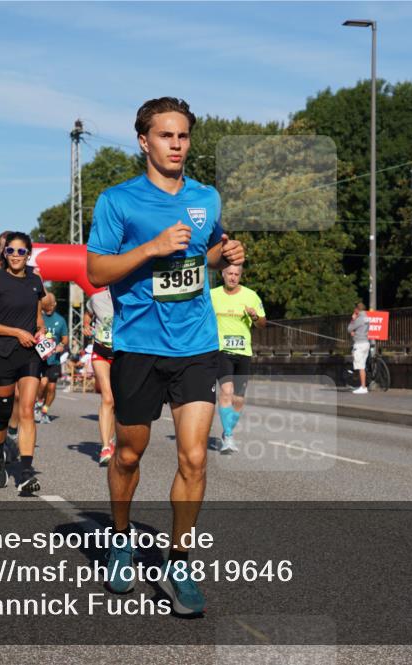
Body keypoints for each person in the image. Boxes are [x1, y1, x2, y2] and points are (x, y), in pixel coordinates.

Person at [86, 97, 244, 615]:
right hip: (138, 346)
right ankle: (121, 536)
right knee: (129, 454)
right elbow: (97, 272)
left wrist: (226, 256)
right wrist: (151, 249)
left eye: (183, 136)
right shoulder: (118, 201)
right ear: (144, 141)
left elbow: (206, 254)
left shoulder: (206, 197)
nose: (177, 145)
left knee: (195, 456)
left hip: (197, 343)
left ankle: (179, 561)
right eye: (166, 136)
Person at [0, 231, 46, 494]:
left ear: (29, 254)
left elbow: (38, 318)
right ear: (4, 253)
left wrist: (40, 331)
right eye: (11, 251)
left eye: (21, 251)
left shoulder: (35, 280)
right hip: (1, 352)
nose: (16, 256)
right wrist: (16, 332)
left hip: (29, 353)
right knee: (4, 411)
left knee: (27, 409)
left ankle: (26, 473)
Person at [210, 264, 266, 453]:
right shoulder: (212, 295)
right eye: (230, 274)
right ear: (223, 274)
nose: (233, 277)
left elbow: (262, 324)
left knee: (239, 399)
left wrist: (255, 316)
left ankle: (228, 432)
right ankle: (229, 437)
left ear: (240, 276)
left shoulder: (251, 295)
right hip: (221, 351)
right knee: (227, 391)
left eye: (236, 274)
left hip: (243, 352)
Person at [84, 286, 116, 465]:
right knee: (107, 398)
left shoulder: (130, 296)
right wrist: (86, 325)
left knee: (118, 401)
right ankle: (105, 446)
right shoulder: (96, 298)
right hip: (101, 352)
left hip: (122, 354)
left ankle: (112, 440)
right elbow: (88, 314)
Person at [34, 293, 67, 424]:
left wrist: (61, 345)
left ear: (55, 305)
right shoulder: (39, 318)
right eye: (46, 307)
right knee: (42, 383)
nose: (49, 309)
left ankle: (44, 411)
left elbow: (65, 338)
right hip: (40, 358)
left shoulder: (60, 320)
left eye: (51, 306)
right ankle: (38, 403)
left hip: (54, 359)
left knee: (52, 388)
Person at [348, 302, 370, 394]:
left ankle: (363, 387)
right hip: (366, 343)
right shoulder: (367, 318)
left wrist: (353, 319)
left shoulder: (359, 319)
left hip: (359, 344)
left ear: (357, 309)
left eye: (355, 309)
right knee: (362, 365)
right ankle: (362, 384)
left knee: (360, 366)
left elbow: (349, 328)